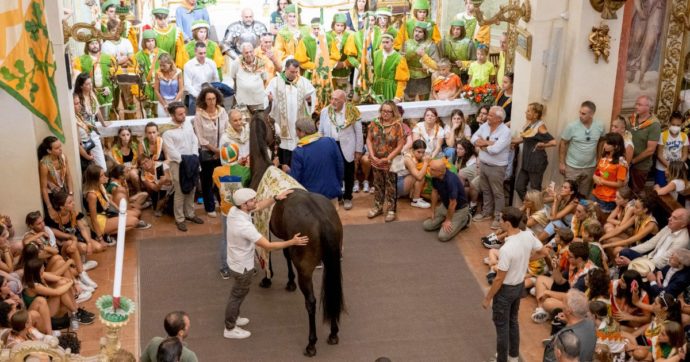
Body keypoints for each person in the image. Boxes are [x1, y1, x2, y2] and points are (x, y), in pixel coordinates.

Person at [223, 188, 309, 339]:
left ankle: (235, 317)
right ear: (244, 205)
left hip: (236, 261)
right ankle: (230, 328)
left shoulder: (234, 211)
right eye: (252, 200)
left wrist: (276, 198)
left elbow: (259, 206)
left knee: (239, 293)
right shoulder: (244, 226)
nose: (255, 201)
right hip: (242, 267)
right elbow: (268, 246)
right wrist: (292, 241)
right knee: (237, 295)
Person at [481, 207, 543, 362]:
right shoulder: (528, 235)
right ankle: (513, 357)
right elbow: (543, 251)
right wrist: (526, 260)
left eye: (501, 219)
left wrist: (488, 298)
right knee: (513, 321)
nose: (499, 221)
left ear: (508, 224)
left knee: (502, 326)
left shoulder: (507, 249)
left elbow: (498, 279)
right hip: (519, 286)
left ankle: (502, 359)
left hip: (505, 290)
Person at [266, 59, 316, 169]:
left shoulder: (303, 82)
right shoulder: (275, 82)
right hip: (282, 124)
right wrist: (269, 100)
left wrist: (309, 100)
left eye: (296, 72)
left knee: (297, 156)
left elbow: (312, 98)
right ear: (286, 69)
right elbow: (267, 99)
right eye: (292, 72)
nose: (295, 74)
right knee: (283, 153)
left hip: (298, 125)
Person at [162, 102, 204, 232]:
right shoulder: (167, 131)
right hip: (178, 163)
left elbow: (194, 139)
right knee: (180, 191)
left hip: (192, 159)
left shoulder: (187, 124)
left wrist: (194, 156)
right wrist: (185, 161)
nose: (184, 116)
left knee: (192, 188)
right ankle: (180, 219)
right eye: (180, 114)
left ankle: (190, 214)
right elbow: (171, 150)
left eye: (184, 113)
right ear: (172, 115)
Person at [319, 90, 363, 210]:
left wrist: (358, 150)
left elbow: (359, 132)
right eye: (332, 98)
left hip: (348, 146)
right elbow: (321, 131)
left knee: (348, 172)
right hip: (330, 145)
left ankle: (348, 197)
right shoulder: (325, 111)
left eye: (336, 100)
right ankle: (337, 196)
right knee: (332, 172)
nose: (333, 101)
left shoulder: (352, 111)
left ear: (344, 100)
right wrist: (321, 147)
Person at [213, 143, 250, 280]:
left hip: (226, 210)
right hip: (242, 210)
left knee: (226, 239)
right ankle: (246, 265)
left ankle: (225, 268)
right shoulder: (245, 171)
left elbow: (222, 178)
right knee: (246, 238)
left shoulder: (217, 171)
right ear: (237, 153)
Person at [471, 106, 512, 230]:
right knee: (486, 190)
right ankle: (486, 213)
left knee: (497, 193)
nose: (487, 117)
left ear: (499, 119)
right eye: (488, 114)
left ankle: (498, 217)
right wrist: (488, 143)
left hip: (497, 167)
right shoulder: (484, 126)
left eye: (490, 115)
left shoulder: (505, 131)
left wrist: (482, 144)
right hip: (484, 164)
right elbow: (473, 139)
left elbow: (495, 150)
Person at [615, 208, 690, 273]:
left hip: (657, 269)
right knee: (624, 251)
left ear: (683, 224)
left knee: (625, 256)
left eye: (675, 218)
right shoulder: (668, 228)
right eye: (671, 216)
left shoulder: (682, 241)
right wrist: (629, 250)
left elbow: (661, 262)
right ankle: (621, 279)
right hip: (649, 258)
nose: (669, 219)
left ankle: (625, 282)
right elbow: (650, 244)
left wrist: (633, 263)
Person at [366, 101, 406, 222]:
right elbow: (368, 139)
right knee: (377, 184)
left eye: (388, 111)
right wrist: (372, 155)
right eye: (383, 110)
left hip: (390, 161)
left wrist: (388, 158)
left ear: (393, 112)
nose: (385, 113)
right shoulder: (374, 123)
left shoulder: (397, 126)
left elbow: (400, 145)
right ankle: (378, 207)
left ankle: (391, 210)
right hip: (376, 160)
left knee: (390, 186)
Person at [193, 86, 228, 218]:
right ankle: (209, 207)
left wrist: (220, 151)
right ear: (204, 100)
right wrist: (215, 150)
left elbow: (227, 131)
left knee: (221, 181)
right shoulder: (199, 116)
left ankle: (222, 204)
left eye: (213, 98)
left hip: (221, 152)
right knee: (207, 181)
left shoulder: (222, 112)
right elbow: (200, 137)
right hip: (207, 153)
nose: (212, 101)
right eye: (209, 99)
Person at [559, 101, 605, 197]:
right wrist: (561, 163)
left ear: (591, 114)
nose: (580, 115)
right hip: (572, 167)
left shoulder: (600, 126)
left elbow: (601, 141)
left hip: (590, 167)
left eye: (583, 114)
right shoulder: (572, 126)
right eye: (580, 112)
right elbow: (563, 143)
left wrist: (599, 157)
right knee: (568, 195)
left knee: (583, 195)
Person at [290, 119, 344, 200]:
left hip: (313, 200)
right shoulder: (330, 141)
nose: (296, 134)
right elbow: (340, 166)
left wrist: (287, 171)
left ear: (301, 132)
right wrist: (338, 185)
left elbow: (295, 179)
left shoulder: (298, 151)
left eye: (296, 130)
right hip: (332, 192)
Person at [82, 165, 139, 242]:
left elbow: (108, 200)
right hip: (100, 221)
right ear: (95, 179)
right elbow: (93, 219)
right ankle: (103, 235)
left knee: (135, 213)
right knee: (134, 221)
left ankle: (109, 231)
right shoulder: (92, 195)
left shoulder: (100, 186)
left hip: (107, 214)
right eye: (102, 175)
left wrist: (119, 211)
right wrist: (100, 239)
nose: (105, 177)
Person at [512, 102, 556, 200]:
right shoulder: (530, 124)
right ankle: (529, 206)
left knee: (535, 189)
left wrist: (543, 145)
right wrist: (509, 141)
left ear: (535, 114)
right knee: (519, 187)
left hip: (536, 162)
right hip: (527, 162)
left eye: (528, 111)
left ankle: (536, 211)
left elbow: (553, 142)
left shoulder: (540, 126)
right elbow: (524, 139)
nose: (525, 112)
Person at [423, 159, 470, 242]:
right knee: (426, 225)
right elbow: (434, 192)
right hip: (445, 206)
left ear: (440, 172)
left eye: (432, 169)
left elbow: (453, 203)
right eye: (430, 167)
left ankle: (465, 219)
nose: (429, 170)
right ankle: (445, 218)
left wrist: (448, 220)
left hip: (459, 209)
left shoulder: (451, 180)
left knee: (442, 236)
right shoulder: (435, 176)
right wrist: (432, 211)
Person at [543, 290, 597, 362]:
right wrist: (568, 320)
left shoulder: (564, 338)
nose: (562, 304)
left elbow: (550, 359)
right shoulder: (591, 324)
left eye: (564, 302)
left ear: (568, 311)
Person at [72, 38, 116, 119]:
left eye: (96, 43)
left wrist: (109, 88)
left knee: (104, 118)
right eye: (92, 44)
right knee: (90, 118)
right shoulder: (80, 60)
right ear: (87, 45)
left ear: (99, 44)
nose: (95, 45)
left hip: (105, 94)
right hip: (88, 94)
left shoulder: (109, 58)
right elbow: (77, 80)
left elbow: (114, 78)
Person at [73, 74, 108, 170]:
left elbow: (97, 110)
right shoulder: (78, 99)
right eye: (87, 84)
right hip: (84, 132)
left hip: (93, 131)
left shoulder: (92, 93)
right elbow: (77, 117)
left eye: (90, 83)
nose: (90, 85)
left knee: (101, 164)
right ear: (81, 86)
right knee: (92, 164)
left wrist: (103, 123)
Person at [628, 95, 662, 194]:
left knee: (636, 193)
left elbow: (650, 150)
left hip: (640, 166)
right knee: (625, 192)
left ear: (648, 107)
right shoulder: (633, 119)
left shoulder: (654, 125)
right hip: (628, 162)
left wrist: (633, 161)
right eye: (636, 104)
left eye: (639, 105)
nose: (636, 106)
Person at [38, 137, 74, 221]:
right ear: (49, 151)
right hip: (52, 194)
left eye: (60, 146)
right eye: (57, 148)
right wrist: (49, 206)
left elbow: (68, 176)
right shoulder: (44, 164)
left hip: (63, 190)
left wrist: (71, 193)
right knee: (57, 218)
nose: (60, 150)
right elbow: (43, 188)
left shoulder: (63, 157)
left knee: (69, 215)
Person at [402, 21, 439, 102]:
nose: (417, 33)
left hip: (424, 77)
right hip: (409, 77)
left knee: (424, 103)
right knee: (408, 102)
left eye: (420, 32)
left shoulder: (431, 45)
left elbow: (436, 65)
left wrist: (423, 55)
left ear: (425, 33)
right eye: (416, 31)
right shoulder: (406, 43)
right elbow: (400, 61)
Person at [591, 132, 628, 213]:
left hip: (607, 199)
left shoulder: (621, 163)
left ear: (616, 146)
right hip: (595, 193)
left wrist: (603, 181)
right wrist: (594, 176)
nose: (605, 145)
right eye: (605, 142)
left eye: (608, 143)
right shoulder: (604, 156)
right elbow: (598, 172)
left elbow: (620, 184)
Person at [228, 42, 268, 116]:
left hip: (258, 101)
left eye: (251, 52)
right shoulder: (237, 62)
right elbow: (234, 78)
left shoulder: (261, 62)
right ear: (242, 53)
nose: (249, 54)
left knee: (258, 123)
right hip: (242, 101)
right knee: (244, 123)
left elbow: (264, 79)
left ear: (254, 51)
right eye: (246, 52)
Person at [135, 30, 166, 118]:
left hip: (160, 87)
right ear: (144, 42)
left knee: (159, 112)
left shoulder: (163, 53)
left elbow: (168, 71)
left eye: (152, 40)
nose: (150, 43)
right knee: (148, 113)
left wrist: (159, 81)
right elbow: (137, 73)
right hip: (146, 88)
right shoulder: (138, 56)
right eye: (148, 41)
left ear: (155, 41)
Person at [371, 33, 409, 102]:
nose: (384, 44)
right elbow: (371, 72)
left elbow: (402, 81)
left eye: (387, 42)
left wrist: (398, 97)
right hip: (376, 88)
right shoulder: (375, 54)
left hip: (390, 90)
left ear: (392, 42)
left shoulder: (399, 58)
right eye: (383, 42)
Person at [183, 42, 219, 115]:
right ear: (195, 52)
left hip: (210, 97)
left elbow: (216, 80)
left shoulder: (211, 63)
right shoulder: (188, 65)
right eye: (200, 53)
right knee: (194, 119)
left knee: (211, 118)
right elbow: (187, 85)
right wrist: (198, 96)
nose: (203, 55)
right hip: (195, 97)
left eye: (204, 53)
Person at [655, 112, 688, 186]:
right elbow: (659, 155)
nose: (675, 127)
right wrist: (669, 166)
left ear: (682, 125)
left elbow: (685, 155)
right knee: (660, 187)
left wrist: (676, 167)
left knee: (674, 189)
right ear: (669, 123)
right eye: (673, 124)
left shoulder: (684, 136)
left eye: (678, 125)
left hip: (677, 169)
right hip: (662, 168)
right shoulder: (663, 135)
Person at [327, 13, 357, 93]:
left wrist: (345, 63)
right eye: (337, 25)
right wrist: (334, 64)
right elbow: (325, 53)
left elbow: (351, 53)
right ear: (333, 25)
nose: (340, 28)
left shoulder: (349, 35)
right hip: (331, 68)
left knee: (343, 90)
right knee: (331, 89)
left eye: (342, 25)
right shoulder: (327, 35)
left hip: (344, 68)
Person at [111, 126, 141, 193]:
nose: (126, 137)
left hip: (133, 167)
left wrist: (133, 166)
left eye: (128, 135)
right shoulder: (115, 148)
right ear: (119, 136)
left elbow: (137, 160)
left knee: (133, 174)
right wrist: (125, 168)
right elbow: (117, 163)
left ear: (130, 135)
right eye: (123, 135)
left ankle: (139, 192)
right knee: (124, 175)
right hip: (122, 169)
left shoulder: (135, 146)